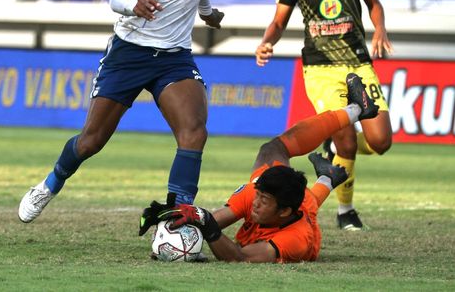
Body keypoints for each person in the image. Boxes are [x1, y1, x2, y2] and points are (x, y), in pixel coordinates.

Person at [18, 0, 225, 223]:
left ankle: (176, 221)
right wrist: (135, 5)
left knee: (194, 132)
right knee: (91, 142)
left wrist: (206, 11)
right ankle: (50, 183)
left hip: (174, 55)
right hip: (131, 52)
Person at [254, 0, 393, 231]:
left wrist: (380, 31)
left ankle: (335, 146)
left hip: (358, 64)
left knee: (380, 142)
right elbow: (279, 20)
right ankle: (346, 211)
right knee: (346, 139)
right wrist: (267, 42)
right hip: (320, 69)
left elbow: (373, 4)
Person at [140, 73, 379, 263]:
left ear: (284, 212)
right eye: (259, 195)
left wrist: (207, 227)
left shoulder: (296, 240)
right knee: (272, 149)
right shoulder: (256, 194)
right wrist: (169, 235)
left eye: (263, 200)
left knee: (309, 205)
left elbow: (239, 256)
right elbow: (212, 220)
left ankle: (327, 178)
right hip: (291, 199)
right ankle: (356, 110)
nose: (256, 202)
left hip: (300, 220)